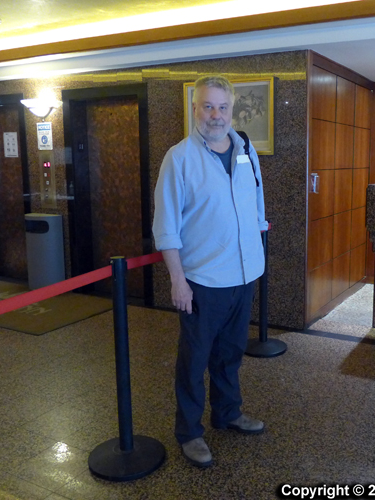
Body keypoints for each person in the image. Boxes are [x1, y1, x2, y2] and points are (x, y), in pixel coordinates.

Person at [152, 75, 269, 468]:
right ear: (194, 108)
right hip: (202, 281)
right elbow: (165, 226)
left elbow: (256, 205)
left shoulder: (245, 149)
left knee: (230, 353)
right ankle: (189, 432)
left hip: (244, 274)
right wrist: (177, 280)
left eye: (222, 107)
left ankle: (228, 413)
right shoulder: (179, 158)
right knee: (195, 359)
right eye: (207, 106)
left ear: (232, 110)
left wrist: (256, 252)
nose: (215, 115)